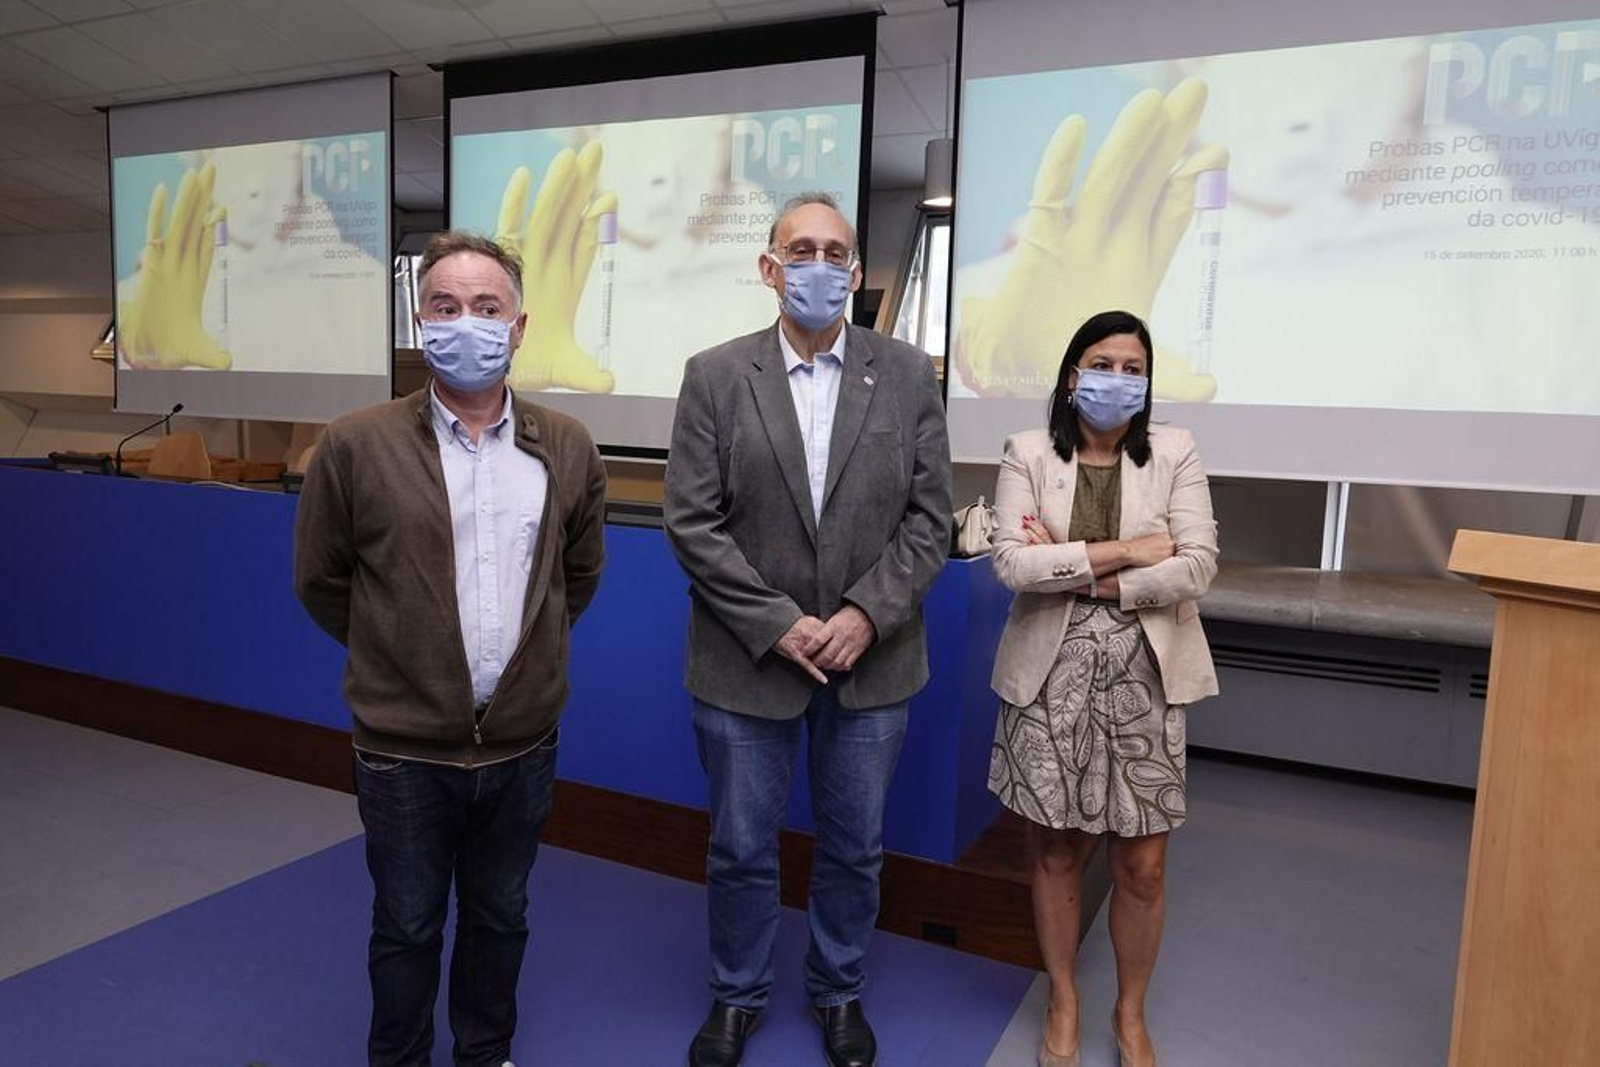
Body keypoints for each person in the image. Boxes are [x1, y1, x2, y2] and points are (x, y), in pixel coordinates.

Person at [293, 230, 607, 1067]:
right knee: (406, 925)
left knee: (501, 916)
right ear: (420, 320)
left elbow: (575, 576)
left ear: (519, 326)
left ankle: (484, 1051)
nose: (466, 321)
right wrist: (400, 652)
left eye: (486, 306)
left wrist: (526, 665)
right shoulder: (355, 443)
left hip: (522, 745)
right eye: (445, 305)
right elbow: (321, 579)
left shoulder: (567, 445)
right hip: (402, 752)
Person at [663, 192, 952, 1067]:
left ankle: (838, 987)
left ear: (856, 272)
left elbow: (929, 521)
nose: (818, 266)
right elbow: (692, 522)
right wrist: (780, 624)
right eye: (801, 251)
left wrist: (866, 614)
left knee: (855, 846)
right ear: (768, 267)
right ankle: (736, 993)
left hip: (874, 660)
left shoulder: (908, 374)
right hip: (747, 660)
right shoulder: (715, 375)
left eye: (834, 252)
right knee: (740, 845)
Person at [986, 310, 1218, 1067]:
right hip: (1049, 673)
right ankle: (1063, 995)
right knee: (1057, 849)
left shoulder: (1175, 452)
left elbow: (1197, 564)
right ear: (1070, 376)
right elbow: (1013, 564)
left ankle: (1130, 1011)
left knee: (1142, 864)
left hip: (1146, 674)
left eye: (1133, 368)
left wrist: (1081, 570)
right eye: (1102, 364)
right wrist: (1131, 550)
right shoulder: (1027, 452)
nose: (1117, 379)